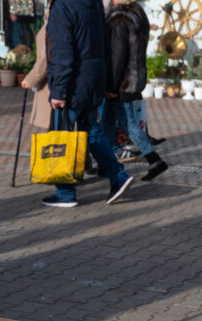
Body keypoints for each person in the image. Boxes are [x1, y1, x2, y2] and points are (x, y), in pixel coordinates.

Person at [42, 0, 132, 207]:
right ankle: (118, 176)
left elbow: (62, 51)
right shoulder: (93, 4)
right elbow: (105, 47)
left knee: (60, 135)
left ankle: (65, 192)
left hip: (72, 84)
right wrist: (108, 83)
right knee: (91, 131)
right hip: (92, 81)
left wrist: (59, 90)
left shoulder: (63, 6)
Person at [105, 0, 167, 180]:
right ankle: (106, 162)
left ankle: (155, 161)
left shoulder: (119, 18)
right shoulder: (138, 13)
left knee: (128, 124)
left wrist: (111, 86)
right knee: (108, 121)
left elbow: (118, 56)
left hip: (121, 81)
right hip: (134, 75)